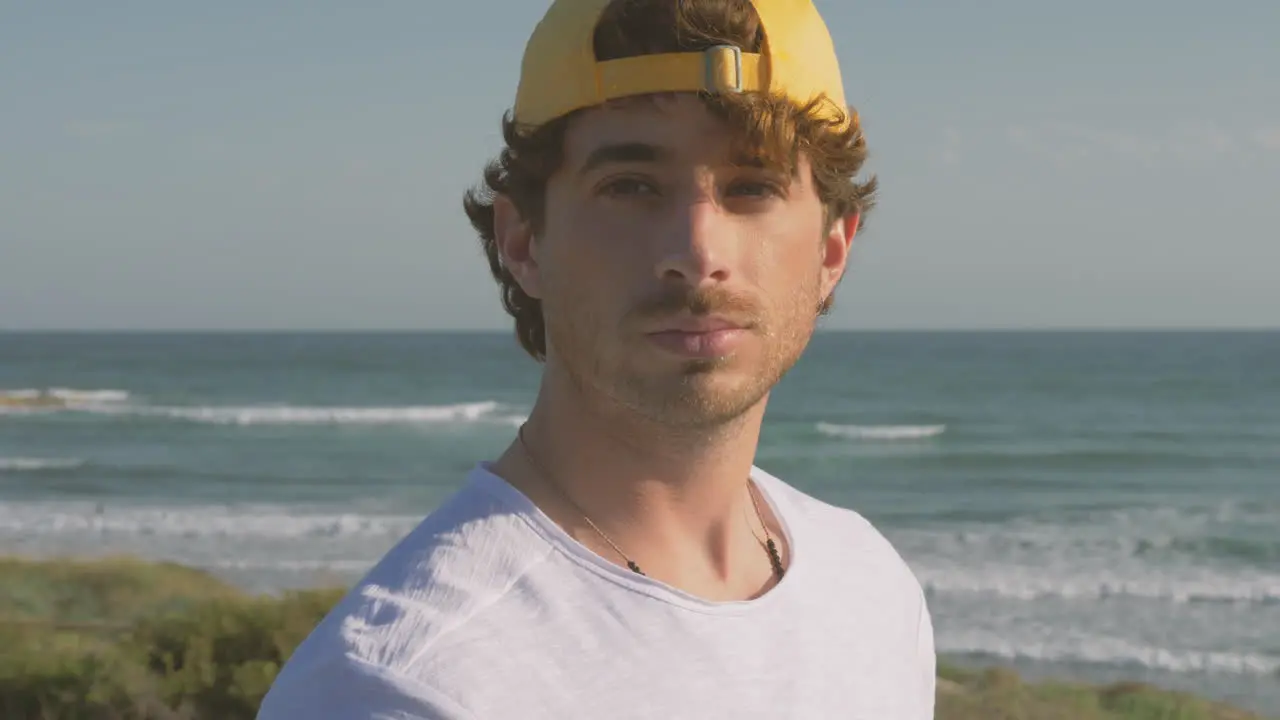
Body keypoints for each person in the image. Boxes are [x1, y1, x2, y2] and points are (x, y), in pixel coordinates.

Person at [256, 0, 936, 717]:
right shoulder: (404, 686)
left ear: (833, 252)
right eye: (631, 188)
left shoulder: (871, 589)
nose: (698, 255)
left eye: (753, 188)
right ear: (523, 243)